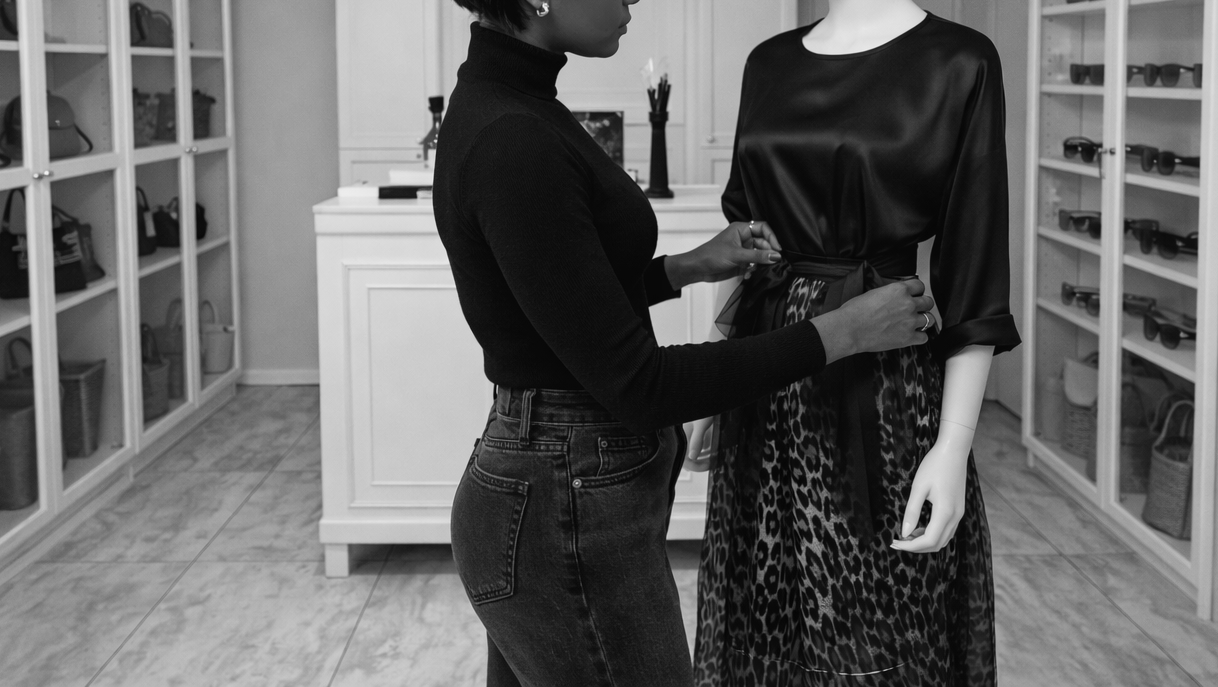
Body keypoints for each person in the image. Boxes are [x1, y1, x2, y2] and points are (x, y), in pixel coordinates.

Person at [433, 0, 939, 684]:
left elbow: (558, 308)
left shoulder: (513, 105)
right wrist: (844, 331)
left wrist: (686, 268)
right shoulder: (512, 136)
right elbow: (641, 386)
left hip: (556, 492)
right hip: (561, 506)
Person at [684, 1, 1021, 684]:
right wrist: (719, 382)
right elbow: (750, 238)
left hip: (883, 370)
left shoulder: (959, 60)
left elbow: (971, 270)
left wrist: (952, 442)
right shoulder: (769, 62)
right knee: (763, 601)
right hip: (770, 369)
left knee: (883, 614)